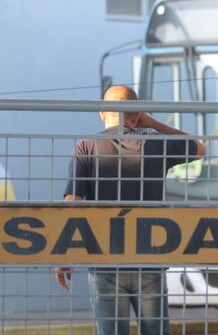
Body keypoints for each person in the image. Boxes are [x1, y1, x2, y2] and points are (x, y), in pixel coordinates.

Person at [55, 85, 205, 335]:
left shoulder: (86, 147)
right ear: (137, 116)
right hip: (150, 260)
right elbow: (199, 149)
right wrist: (150, 121)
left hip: (105, 260)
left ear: (102, 112)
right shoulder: (156, 143)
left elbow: (73, 202)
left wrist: (63, 255)